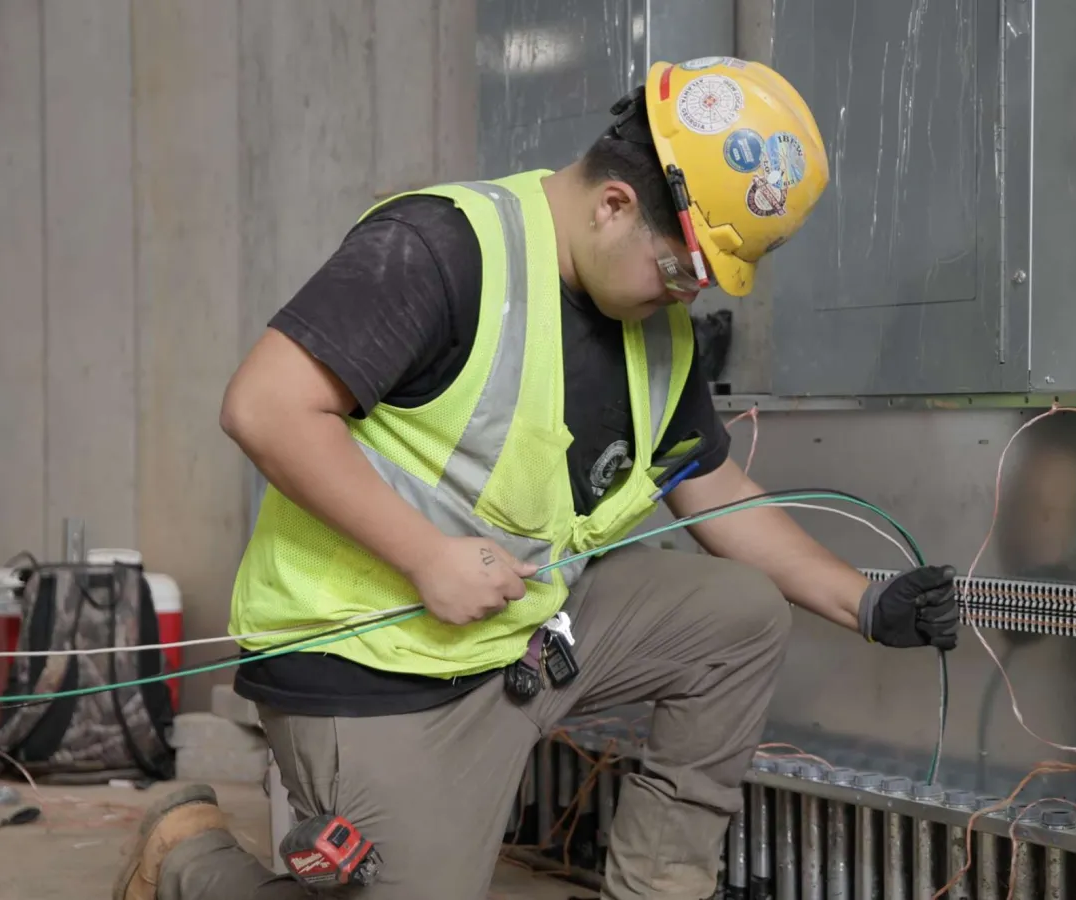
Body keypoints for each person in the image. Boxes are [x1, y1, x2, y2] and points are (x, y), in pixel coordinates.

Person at [113, 58, 960, 900]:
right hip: (376, 663)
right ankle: (190, 857)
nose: (685, 295)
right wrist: (427, 557)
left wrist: (863, 604)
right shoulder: (441, 248)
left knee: (736, 617)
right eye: (680, 270)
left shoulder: (656, 328)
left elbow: (712, 490)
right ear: (614, 204)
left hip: (525, 631)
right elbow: (264, 407)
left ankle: (663, 885)